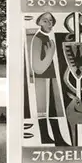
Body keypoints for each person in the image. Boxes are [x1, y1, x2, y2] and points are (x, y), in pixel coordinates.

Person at [30, 12, 64, 144]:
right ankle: (46, 138)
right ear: (38, 22)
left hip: (52, 78)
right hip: (42, 79)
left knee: (53, 110)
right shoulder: (38, 39)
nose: (49, 23)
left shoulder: (49, 37)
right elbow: (37, 67)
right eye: (45, 21)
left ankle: (57, 138)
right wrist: (50, 54)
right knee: (43, 110)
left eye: (50, 21)